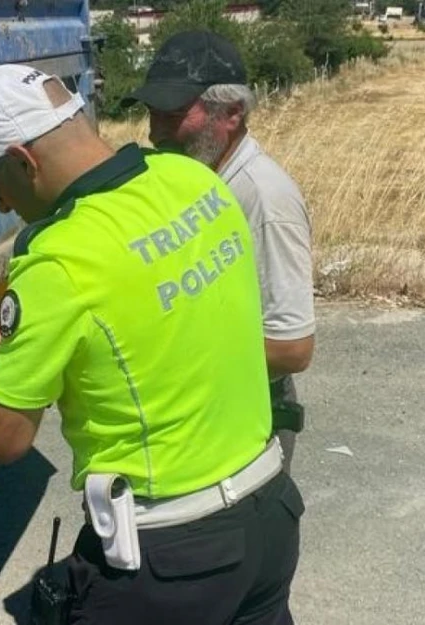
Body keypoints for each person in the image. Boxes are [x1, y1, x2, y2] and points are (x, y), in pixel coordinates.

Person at [0, 63, 303, 625]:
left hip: (170, 562)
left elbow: (6, 438)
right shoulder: (194, 180)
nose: (4, 206)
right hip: (270, 516)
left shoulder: (57, 260)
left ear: (20, 160)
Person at [122, 30, 317, 473]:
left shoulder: (263, 200)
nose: (155, 132)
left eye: (172, 115)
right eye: (153, 113)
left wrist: (169, 355)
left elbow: (292, 348)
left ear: (232, 113)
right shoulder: (201, 180)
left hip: (250, 419)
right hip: (208, 412)